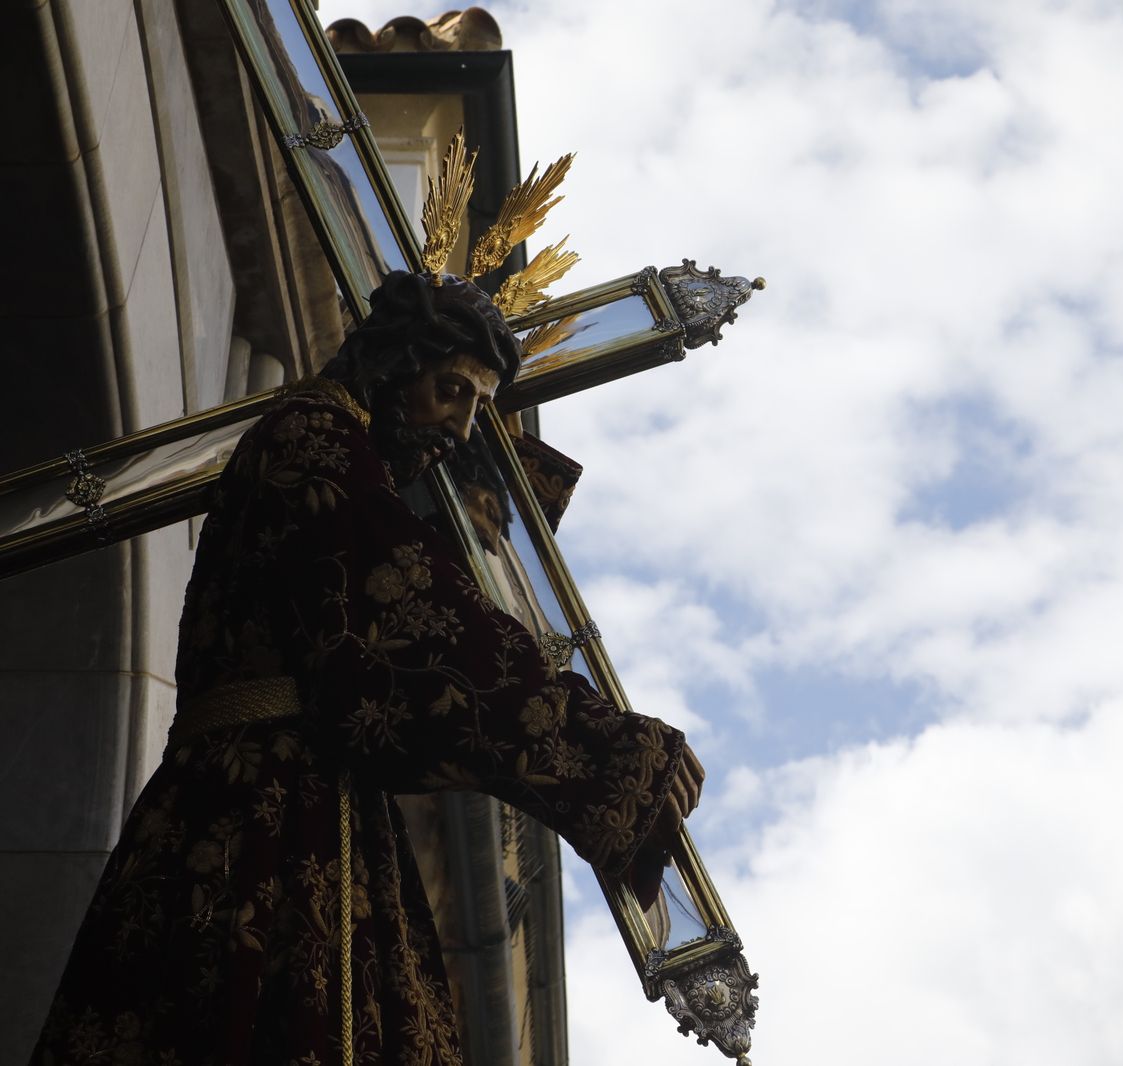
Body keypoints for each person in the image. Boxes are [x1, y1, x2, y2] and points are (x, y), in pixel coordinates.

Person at [30, 271, 704, 1065]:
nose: (456, 427)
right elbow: (412, 631)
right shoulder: (313, 436)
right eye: (451, 391)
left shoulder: (346, 457)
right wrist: (610, 754)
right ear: (394, 362)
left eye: (477, 409)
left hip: (300, 801)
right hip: (266, 822)